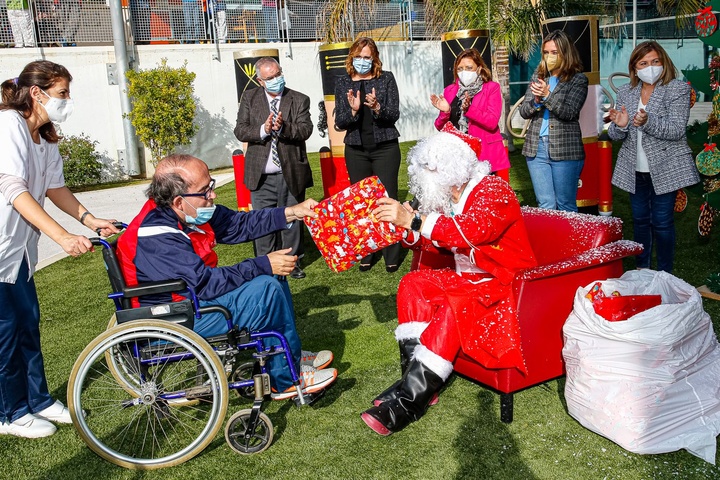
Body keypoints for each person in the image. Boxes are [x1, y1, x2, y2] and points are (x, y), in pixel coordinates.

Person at [359, 126, 537, 436]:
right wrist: (404, 224)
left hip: (501, 284)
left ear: (452, 167)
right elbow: (431, 241)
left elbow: (471, 231)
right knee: (412, 285)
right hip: (465, 279)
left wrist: (414, 220)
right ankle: (417, 384)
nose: (424, 176)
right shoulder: (447, 196)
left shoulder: (494, 191)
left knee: (456, 305)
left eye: (430, 168)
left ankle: (408, 402)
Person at [115, 154, 337, 400]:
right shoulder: (157, 236)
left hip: (189, 301)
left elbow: (239, 224)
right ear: (179, 201)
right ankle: (286, 380)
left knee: (276, 275)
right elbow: (206, 285)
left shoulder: (185, 213)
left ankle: (288, 352)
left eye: (211, 185)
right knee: (266, 288)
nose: (213, 194)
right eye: (205, 190)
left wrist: (293, 212)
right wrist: (261, 264)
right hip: (173, 319)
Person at [0, 61, 120, 438]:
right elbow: (15, 191)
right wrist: (62, 237)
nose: (68, 101)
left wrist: (89, 220)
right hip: (1, 249)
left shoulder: (44, 136)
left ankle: (36, 400)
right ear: (37, 93)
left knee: (28, 326)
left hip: (18, 252)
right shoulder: (8, 127)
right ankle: (10, 413)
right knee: (4, 333)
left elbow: (56, 189)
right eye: (62, 93)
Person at [606, 41, 699, 273]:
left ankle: (665, 273)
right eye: (644, 63)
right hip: (634, 168)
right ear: (635, 67)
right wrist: (622, 124)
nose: (651, 67)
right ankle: (642, 270)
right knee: (639, 220)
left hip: (665, 167)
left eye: (655, 61)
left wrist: (648, 122)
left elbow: (676, 129)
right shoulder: (626, 92)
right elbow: (616, 134)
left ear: (663, 62)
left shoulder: (677, 89)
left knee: (662, 222)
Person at [234, 57, 313, 279]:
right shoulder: (249, 98)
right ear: (260, 80)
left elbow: (305, 130)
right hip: (261, 174)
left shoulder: (298, 99)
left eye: (278, 74)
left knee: (292, 221)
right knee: (262, 221)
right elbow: (240, 130)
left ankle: (292, 262)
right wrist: (263, 129)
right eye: (270, 77)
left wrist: (284, 127)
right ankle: (266, 264)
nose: (276, 79)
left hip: (290, 172)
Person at [334, 36, 402, 273]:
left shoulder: (386, 79)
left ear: (374, 59)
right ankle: (367, 251)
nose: (363, 61)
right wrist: (353, 110)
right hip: (356, 150)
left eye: (367, 57)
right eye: (359, 57)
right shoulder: (343, 83)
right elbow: (340, 121)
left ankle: (391, 252)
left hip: (385, 148)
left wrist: (377, 108)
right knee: (361, 203)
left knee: (388, 199)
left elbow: (394, 114)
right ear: (352, 57)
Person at [519, 29, 588, 212]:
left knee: (566, 205)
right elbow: (524, 112)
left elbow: (569, 112)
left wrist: (547, 95)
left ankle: (569, 241)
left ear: (565, 53)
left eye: (554, 52)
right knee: (545, 206)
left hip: (565, 150)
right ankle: (550, 241)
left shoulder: (578, 80)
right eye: (547, 52)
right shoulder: (539, 76)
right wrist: (535, 101)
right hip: (536, 148)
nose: (550, 56)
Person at [430, 48, 510, 181]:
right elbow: (440, 127)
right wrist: (445, 112)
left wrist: (469, 110)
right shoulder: (450, 91)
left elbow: (492, 122)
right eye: (460, 69)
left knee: (485, 199)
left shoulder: (491, 88)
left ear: (478, 69)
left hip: (484, 155)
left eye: (468, 67)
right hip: (457, 156)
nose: (464, 72)